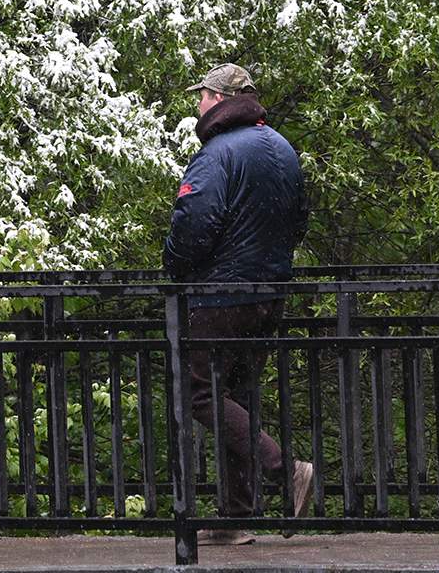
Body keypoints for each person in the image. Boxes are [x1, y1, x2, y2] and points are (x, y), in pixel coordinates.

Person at [163, 63, 316, 545]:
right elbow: (299, 223)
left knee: (199, 393)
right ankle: (235, 516)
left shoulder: (218, 153)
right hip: (269, 294)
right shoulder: (282, 149)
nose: (197, 106)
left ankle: (283, 468)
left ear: (215, 98)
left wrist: (174, 268)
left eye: (201, 97)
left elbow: (194, 226)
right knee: (236, 398)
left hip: (222, 294)